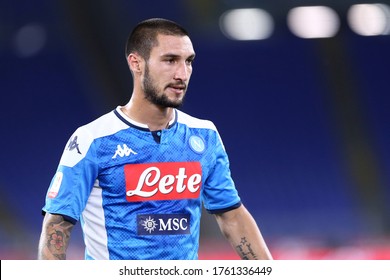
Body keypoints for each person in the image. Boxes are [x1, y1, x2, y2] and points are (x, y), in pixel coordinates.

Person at [38, 18, 273, 260]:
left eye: (188, 61)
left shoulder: (205, 135)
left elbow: (231, 216)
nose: (182, 74)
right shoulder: (93, 140)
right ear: (136, 62)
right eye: (170, 60)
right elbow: (57, 226)